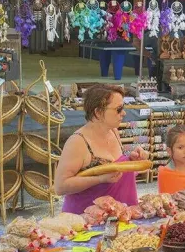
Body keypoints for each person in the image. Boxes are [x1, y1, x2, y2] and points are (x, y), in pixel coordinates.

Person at [55, 84, 148, 214]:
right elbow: (60, 186)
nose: (124, 113)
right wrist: (100, 179)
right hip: (87, 221)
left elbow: (115, 168)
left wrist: (131, 161)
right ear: (98, 112)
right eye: (118, 109)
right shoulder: (78, 142)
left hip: (116, 215)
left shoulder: (113, 131)